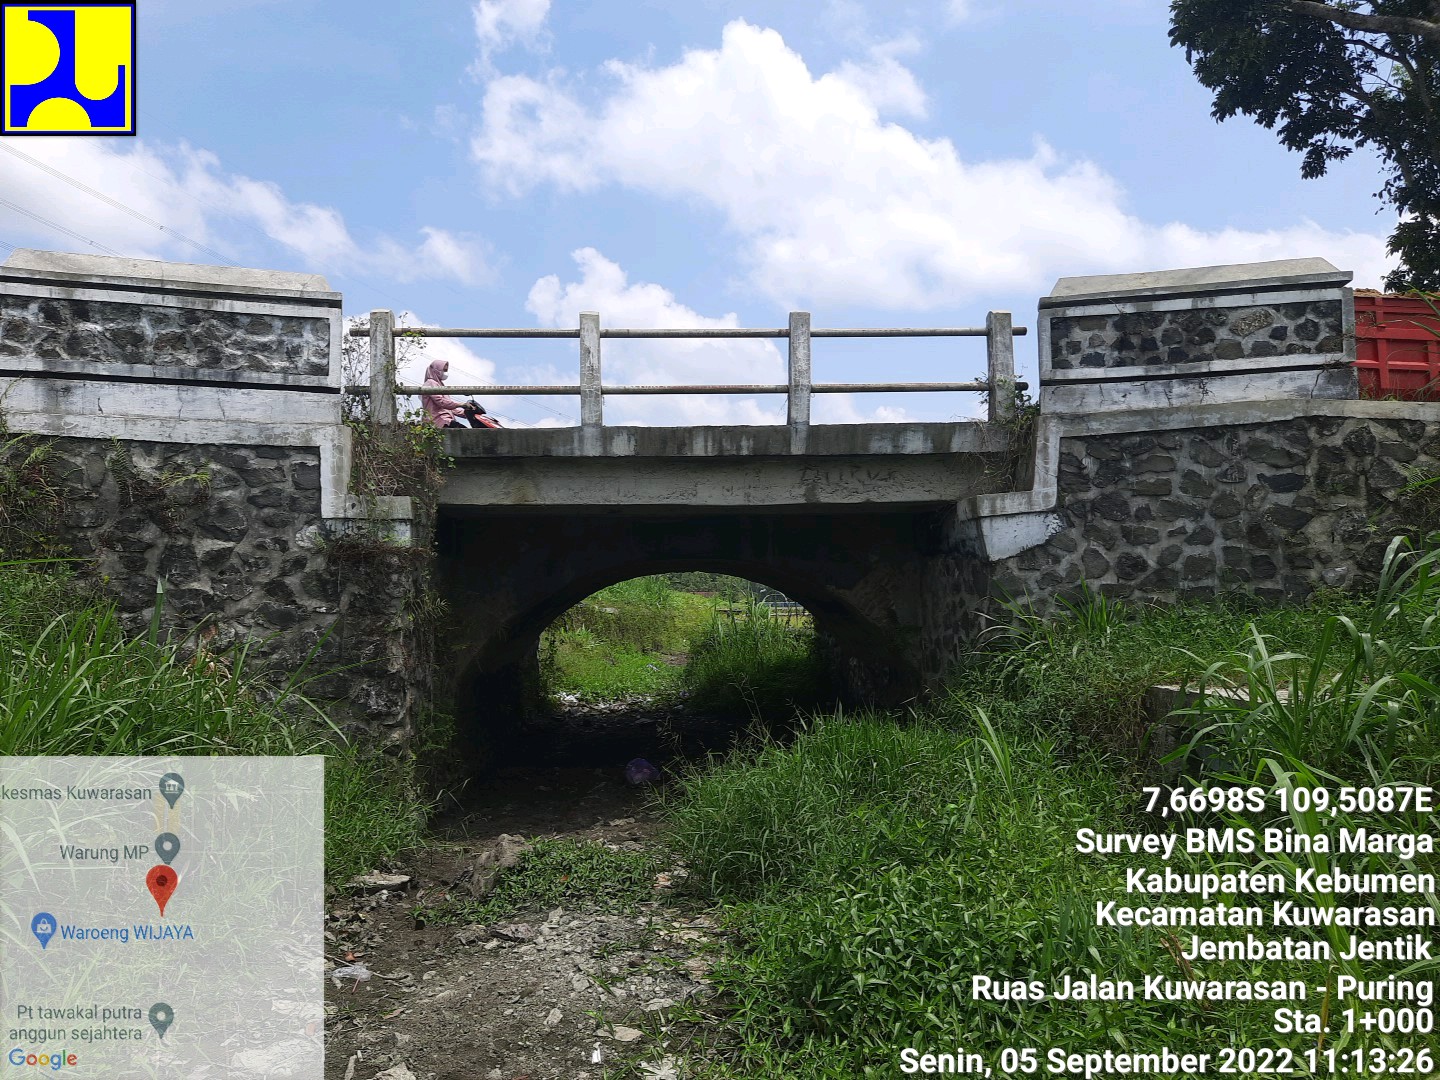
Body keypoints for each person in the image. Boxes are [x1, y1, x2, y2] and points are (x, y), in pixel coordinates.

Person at [421, 359, 470, 429]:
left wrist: (467, 413)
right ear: (435, 370)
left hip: (445, 419)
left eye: (446, 370)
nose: (445, 373)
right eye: (443, 370)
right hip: (436, 420)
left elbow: (449, 408)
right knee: (464, 432)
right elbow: (441, 402)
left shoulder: (440, 384)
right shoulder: (430, 383)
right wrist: (460, 404)